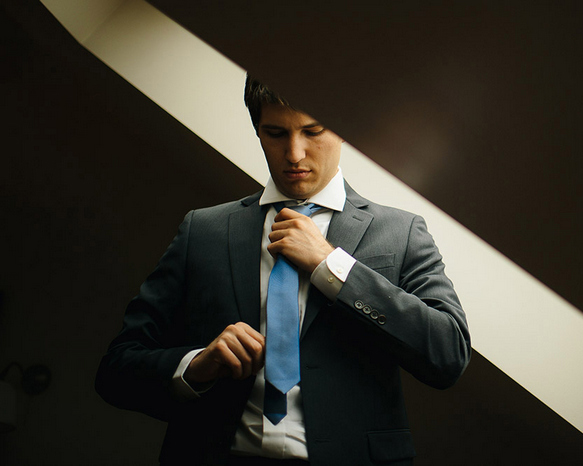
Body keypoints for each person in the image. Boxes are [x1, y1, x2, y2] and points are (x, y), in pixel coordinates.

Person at [95, 76, 470, 466]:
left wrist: (331, 265)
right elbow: (117, 370)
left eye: (313, 131)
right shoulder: (202, 230)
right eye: (275, 133)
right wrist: (197, 365)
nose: (294, 153)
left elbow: (447, 355)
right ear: (258, 132)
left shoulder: (402, 232)